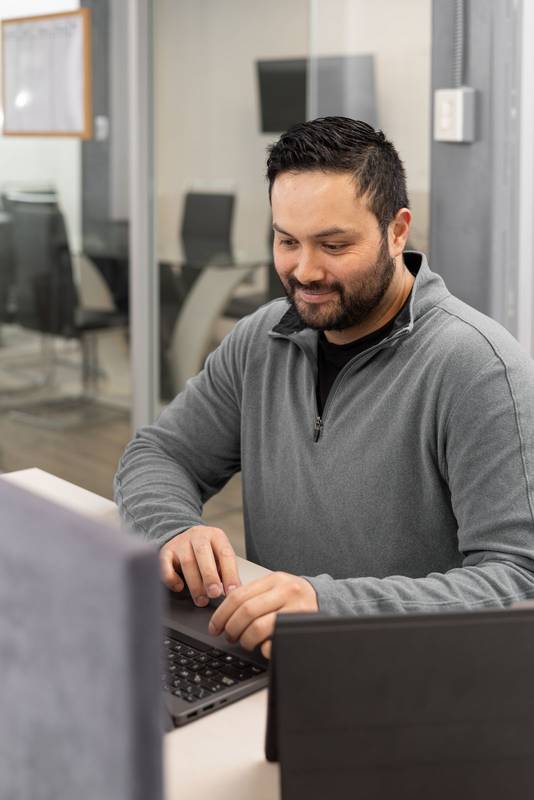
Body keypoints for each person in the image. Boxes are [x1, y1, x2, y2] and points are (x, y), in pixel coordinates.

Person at [115, 116, 534, 658]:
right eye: (287, 240)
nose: (305, 271)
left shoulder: (479, 369)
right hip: (277, 659)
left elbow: (518, 579)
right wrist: (173, 529)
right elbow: (159, 453)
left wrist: (326, 606)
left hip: (412, 682)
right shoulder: (259, 340)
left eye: (333, 245)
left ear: (397, 230)